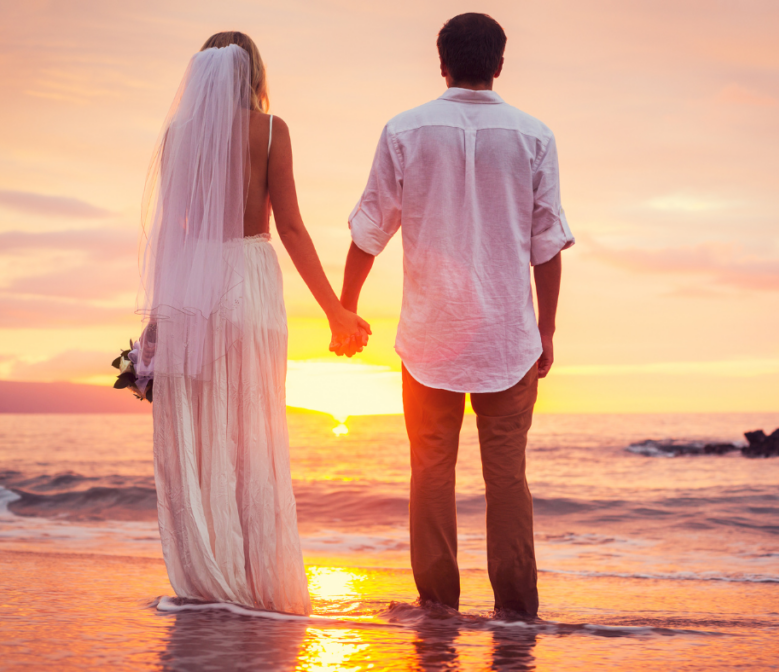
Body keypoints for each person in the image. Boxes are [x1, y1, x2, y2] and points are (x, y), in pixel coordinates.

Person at [336, 13, 574, 619]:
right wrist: (546, 329)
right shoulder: (534, 135)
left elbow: (370, 229)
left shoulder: (406, 130)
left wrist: (348, 305)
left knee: (432, 475)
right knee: (508, 480)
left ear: (441, 62)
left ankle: (438, 609)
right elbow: (546, 244)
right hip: (507, 336)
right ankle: (518, 615)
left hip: (429, 336)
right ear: (498, 64)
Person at [136, 32, 370, 615]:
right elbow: (289, 226)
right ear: (253, 74)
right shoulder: (270, 131)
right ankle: (258, 579)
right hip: (251, 279)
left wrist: (159, 319)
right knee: (254, 429)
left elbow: (172, 232)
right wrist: (334, 310)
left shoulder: (178, 136)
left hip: (193, 283)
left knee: (206, 431)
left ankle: (209, 577)